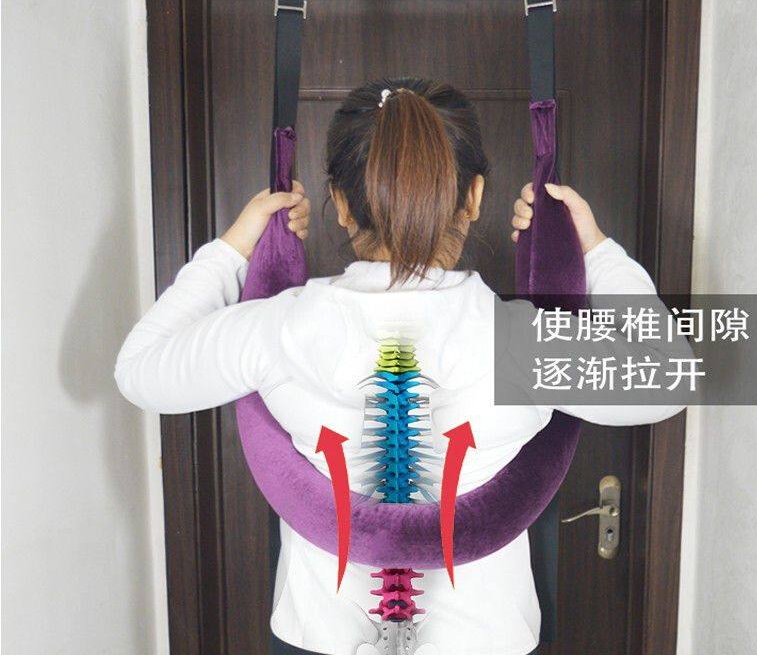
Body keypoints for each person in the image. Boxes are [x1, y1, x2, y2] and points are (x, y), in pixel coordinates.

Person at [116, 77, 687, 655]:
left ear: (340, 203)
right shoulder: (524, 342)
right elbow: (670, 379)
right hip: (483, 641)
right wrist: (594, 248)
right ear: (474, 197)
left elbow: (139, 371)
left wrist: (232, 250)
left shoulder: (278, 329)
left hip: (321, 637)